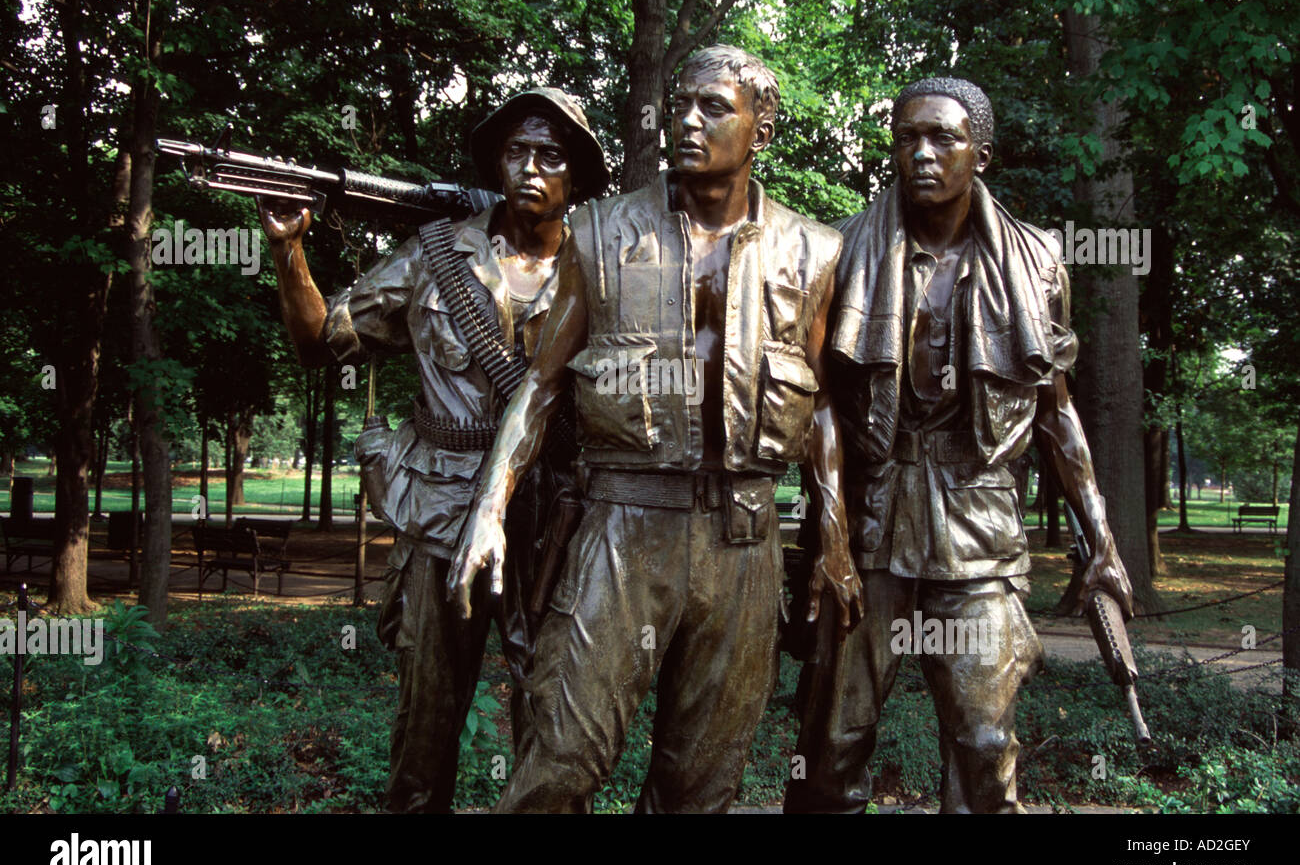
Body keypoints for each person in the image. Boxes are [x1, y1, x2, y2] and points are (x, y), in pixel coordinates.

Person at [449, 45, 863, 813]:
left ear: (760, 128)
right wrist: (489, 510)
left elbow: (826, 408)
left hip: (744, 543)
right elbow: (541, 387)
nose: (688, 121)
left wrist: (834, 541)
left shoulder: (815, 251)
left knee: (700, 788)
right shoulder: (602, 235)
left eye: (713, 107)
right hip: (622, 529)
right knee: (559, 764)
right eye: (680, 105)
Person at [784, 77, 1134, 814]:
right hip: (871, 520)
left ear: (982, 152)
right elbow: (815, 402)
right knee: (832, 743)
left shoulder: (1036, 263)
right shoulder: (842, 252)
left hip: (979, 521)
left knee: (982, 743)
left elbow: (1055, 414)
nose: (923, 153)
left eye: (944, 137)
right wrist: (830, 534)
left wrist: (1099, 535)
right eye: (908, 137)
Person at [257, 87, 610, 813]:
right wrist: (289, 249)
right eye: (516, 152)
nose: (530, 168)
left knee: (554, 724)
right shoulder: (436, 255)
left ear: (575, 176)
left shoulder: (606, 271)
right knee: (425, 726)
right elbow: (320, 344)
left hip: (557, 520)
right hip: (442, 512)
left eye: (550, 155)